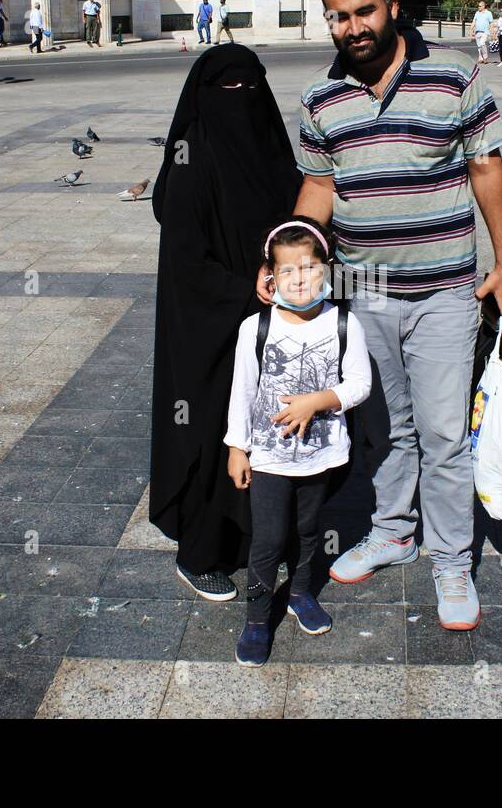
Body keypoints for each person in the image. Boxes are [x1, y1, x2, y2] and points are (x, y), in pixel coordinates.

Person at [266, 0, 502, 631]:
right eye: (339, 17)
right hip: (362, 292)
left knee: (440, 432)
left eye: (364, 11)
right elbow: (319, 188)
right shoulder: (322, 100)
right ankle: (393, 532)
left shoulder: (454, 74)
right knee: (386, 430)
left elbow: (486, 169)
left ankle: (452, 561)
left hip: (443, 292)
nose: (353, 27)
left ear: (392, 5)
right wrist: (287, 257)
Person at [151, 44, 303, 602]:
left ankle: (258, 540)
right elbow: (186, 263)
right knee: (217, 432)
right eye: (227, 91)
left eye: (250, 88)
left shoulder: (271, 149)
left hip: (276, 319)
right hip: (210, 327)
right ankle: (201, 552)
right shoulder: (192, 160)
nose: (241, 100)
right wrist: (244, 288)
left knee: (271, 430)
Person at [226, 217, 372, 666]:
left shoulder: (344, 324)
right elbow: (242, 390)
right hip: (269, 456)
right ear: (270, 276)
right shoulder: (256, 328)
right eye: (287, 270)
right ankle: (255, 619)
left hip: (320, 454)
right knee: (268, 540)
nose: (299, 279)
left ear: (328, 269)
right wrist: (237, 447)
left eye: (309, 268)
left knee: (309, 531)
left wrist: (320, 400)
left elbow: (360, 384)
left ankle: (302, 592)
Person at [471, 0, 493, 65]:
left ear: (483, 6)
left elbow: (491, 23)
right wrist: (471, 30)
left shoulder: (488, 13)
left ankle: (485, 58)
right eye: (478, 6)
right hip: (477, 32)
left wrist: (492, 32)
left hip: (485, 32)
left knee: (482, 43)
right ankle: (480, 58)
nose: (478, 7)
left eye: (480, 6)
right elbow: (474, 22)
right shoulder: (477, 13)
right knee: (479, 46)